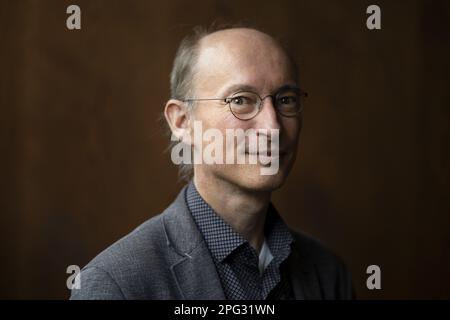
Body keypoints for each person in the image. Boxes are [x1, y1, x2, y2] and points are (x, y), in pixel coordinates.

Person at [70, 25, 354, 300]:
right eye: (241, 100)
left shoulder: (329, 274)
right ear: (182, 122)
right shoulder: (116, 284)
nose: (273, 127)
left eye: (286, 99)